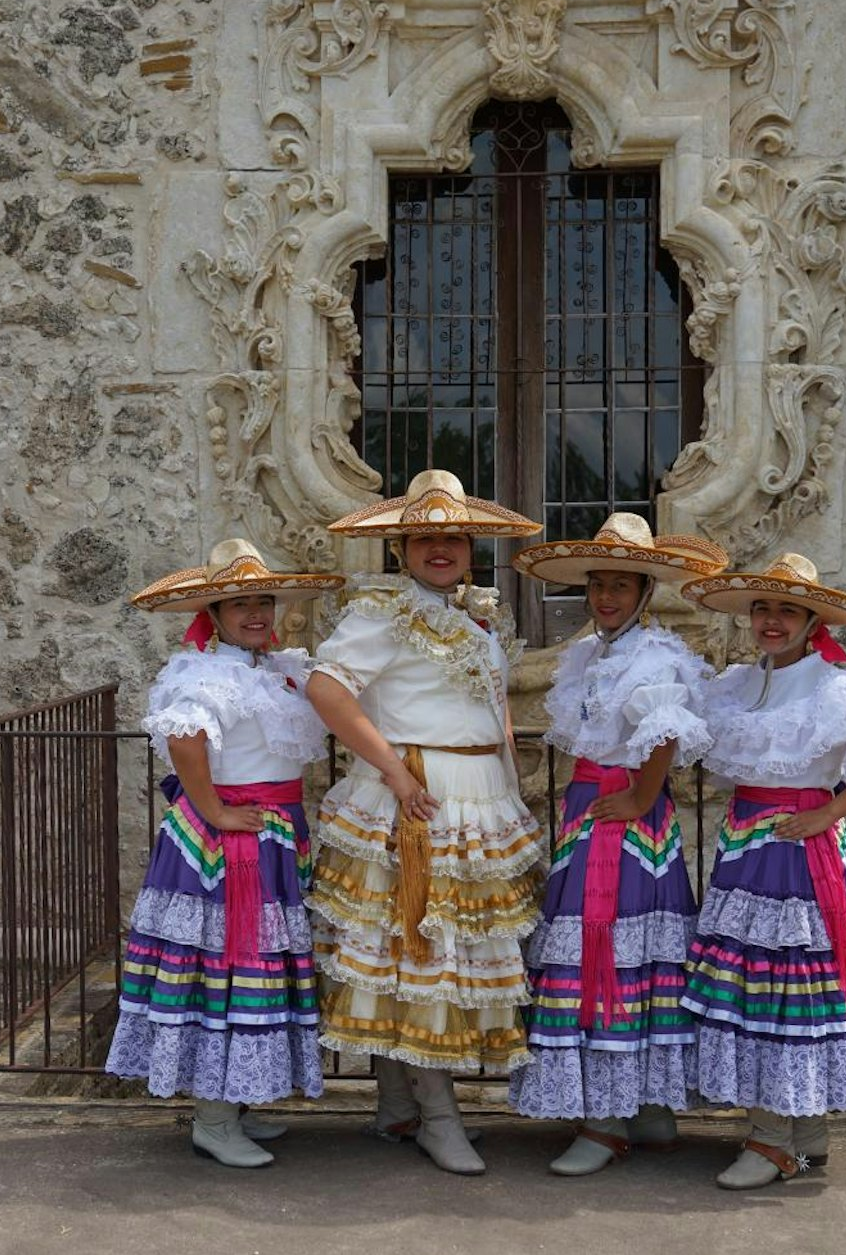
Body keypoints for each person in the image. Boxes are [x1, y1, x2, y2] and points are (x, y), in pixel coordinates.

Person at [305, 469, 545, 1176]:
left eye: (453, 536)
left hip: (478, 798)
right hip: (421, 797)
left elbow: (491, 702)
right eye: (425, 538)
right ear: (402, 547)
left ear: (470, 544)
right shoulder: (383, 611)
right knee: (422, 955)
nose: (440, 548)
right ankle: (438, 1118)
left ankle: (396, 1108)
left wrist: (508, 774)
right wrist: (395, 769)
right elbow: (326, 688)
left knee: (429, 957)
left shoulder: (474, 611)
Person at [678, 553, 846, 1189]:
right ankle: (804, 1138)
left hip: (798, 854)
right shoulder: (742, 681)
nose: (771, 620)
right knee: (762, 987)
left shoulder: (833, 680)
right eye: (763, 608)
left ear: (811, 619)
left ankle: (771, 1142)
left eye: (787, 609)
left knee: (787, 990)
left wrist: (832, 812)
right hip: (746, 847)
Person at [105, 539, 344, 1168]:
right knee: (226, 965)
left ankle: (235, 1101)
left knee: (256, 964)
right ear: (214, 613)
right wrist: (213, 811)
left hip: (270, 834)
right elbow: (184, 734)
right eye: (240, 604)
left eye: (262, 600)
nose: (256, 613)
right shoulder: (203, 671)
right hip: (229, 842)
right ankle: (212, 1118)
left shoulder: (276, 667)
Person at [507, 513, 728, 1175]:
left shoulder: (653, 656)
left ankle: (607, 1121)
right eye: (597, 584)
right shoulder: (595, 652)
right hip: (597, 814)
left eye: (621, 585)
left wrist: (636, 796)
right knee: (629, 953)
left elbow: (663, 731)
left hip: (622, 823)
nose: (606, 597)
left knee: (607, 952)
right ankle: (644, 1109)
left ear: (644, 591)